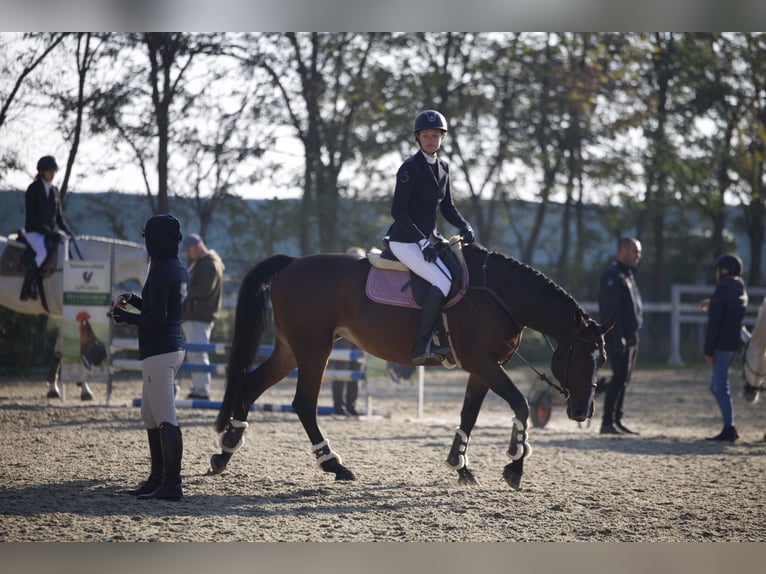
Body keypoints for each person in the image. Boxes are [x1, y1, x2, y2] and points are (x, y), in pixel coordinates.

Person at [109, 214, 189, 501]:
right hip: (171, 347)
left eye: (146, 236)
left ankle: (172, 485)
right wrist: (131, 299)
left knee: (165, 417)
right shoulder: (178, 268)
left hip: (159, 352)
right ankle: (157, 479)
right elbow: (160, 309)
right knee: (150, 414)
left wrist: (122, 316)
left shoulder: (159, 271)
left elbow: (155, 319)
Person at [386, 109, 475, 364]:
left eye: (436, 136)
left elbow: (447, 207)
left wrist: (463, 224)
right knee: (441, 280)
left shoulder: (444, 168)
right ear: (418, 138)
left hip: (430, 239)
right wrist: (422, 241)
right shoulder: (409, 168)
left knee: (457, 276)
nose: (431, 140)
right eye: (426, 135)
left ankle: (444, 338)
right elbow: (398, 211)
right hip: (404, 240)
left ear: (442, 138)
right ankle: (421, 345)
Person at [698, 253, 748, 442]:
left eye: (717, 270)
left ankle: (729, 428)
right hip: (733, 345)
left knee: (721, 387)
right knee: (716, 386)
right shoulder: (739, 290)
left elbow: (715, 325)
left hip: (721, 346)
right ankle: (729, 425)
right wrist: (712, 303)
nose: (716, 274)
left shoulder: (720, 292)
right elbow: (730, 309)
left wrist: (708, 350)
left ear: (724, 271)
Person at [597, 237, 643, 435]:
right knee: (619, 377)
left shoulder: (627, 275)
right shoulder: (613, 275)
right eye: (635, 252)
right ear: (622, 251)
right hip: (620, 337)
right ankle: (607, 422)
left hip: (632, 336)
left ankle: (617, 419)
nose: (638, 256)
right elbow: (610, 309)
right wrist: (616, 335)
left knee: (625, 379)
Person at [180, 233, 225, 400]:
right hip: (196, 314)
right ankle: (198, 388)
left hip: (199, 315)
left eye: (189, 250)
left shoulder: (209, 264)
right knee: (195, 353)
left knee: (198, 352)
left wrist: (183, 291)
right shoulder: (203, 262)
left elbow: (205, 289)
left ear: (198, 247)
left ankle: (202, 390)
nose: (187, 254)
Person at [21, 155, 72, 300]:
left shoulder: (54, 191)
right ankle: (27, 287)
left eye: (54, 172)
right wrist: (49, 233)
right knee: (42, 252)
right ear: (42, 172)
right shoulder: (33, 189)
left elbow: (59, 217)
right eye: (50, 171)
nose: (52, 174)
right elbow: (33, 216)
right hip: (34, 232)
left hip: (48, 233)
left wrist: (69, 233)